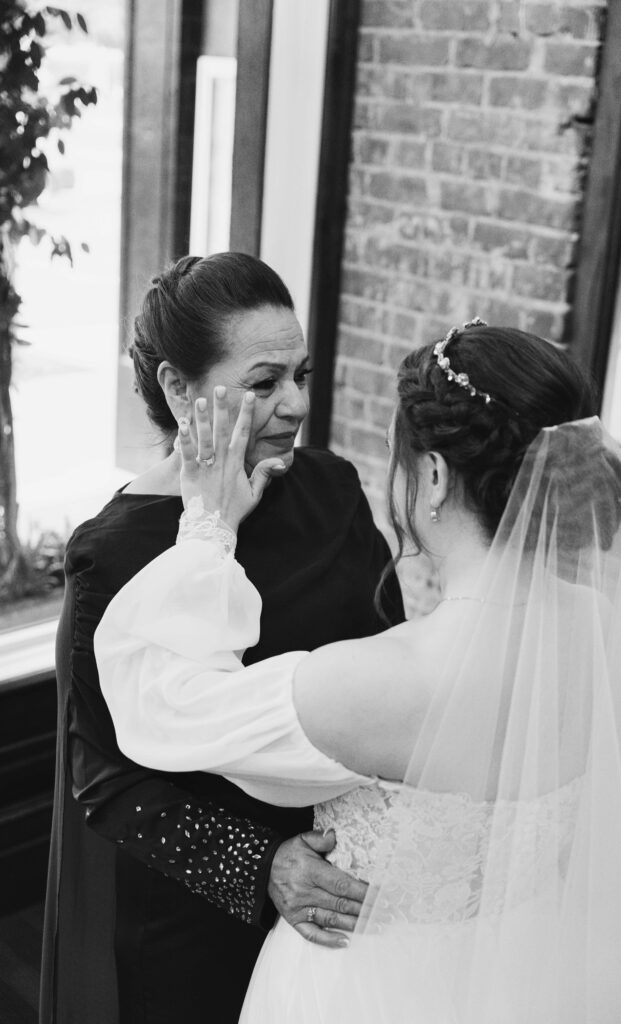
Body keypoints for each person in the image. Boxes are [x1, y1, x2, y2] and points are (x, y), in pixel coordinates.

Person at [96, 321, 621, 1023]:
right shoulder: (604, 633)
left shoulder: (375, 683)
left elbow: (159, 704)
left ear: (432, 477)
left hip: (364, 988)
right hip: (536, 973)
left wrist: (207, 528)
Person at [39, 251, 404, 1024]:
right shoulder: (114, 551)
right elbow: (106, 779)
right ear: (178, 389)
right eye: (265, 382)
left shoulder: (330, 486)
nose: (296, 403)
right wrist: (262, 865)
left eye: (301, 375)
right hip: (195, 910)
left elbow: (390, 659)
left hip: (343, 880)